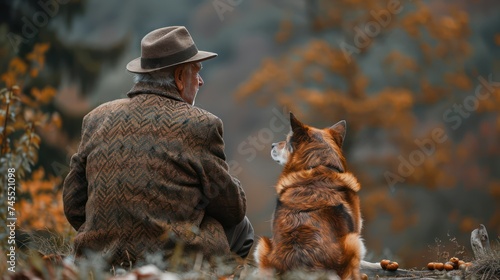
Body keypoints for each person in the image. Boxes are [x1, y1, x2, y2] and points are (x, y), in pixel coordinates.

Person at [63, 26, 254, 268]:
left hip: (100, 262)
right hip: (173, 263)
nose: (201, 81)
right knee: (242, 227)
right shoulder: (202, 125)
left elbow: (73, 204)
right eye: (196, 72)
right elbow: (232, 209)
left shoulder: (96, 118)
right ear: (178, 78)